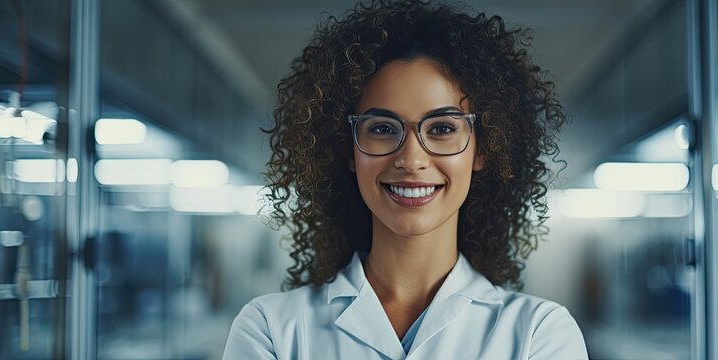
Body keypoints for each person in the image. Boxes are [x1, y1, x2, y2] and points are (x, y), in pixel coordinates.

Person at [222, 0, 588, 358]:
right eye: (382, 128)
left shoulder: (539, 333)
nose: (411, 160)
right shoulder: (270, 328)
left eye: (442, 128)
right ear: (348, 151)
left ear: (483, 150)